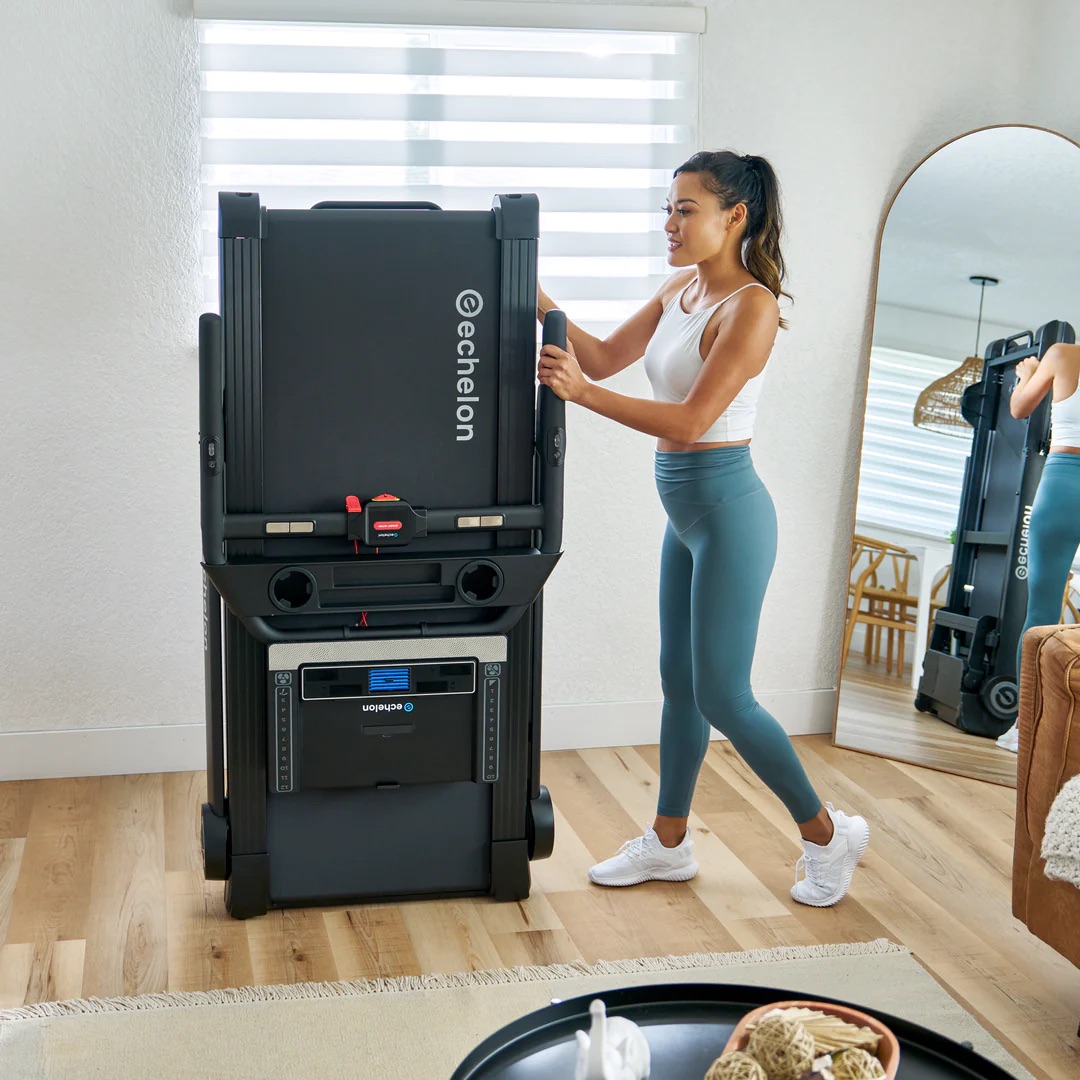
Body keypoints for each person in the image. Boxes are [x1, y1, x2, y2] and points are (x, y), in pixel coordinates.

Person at [536, 150, 869, 907]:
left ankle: (826, 836)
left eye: (686, 209)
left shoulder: (751, 308)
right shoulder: (680, 289)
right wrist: (534, 290)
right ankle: (669, 842)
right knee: (678, 684)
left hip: (728, 514)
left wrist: (582, 397)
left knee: (723, 693)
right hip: (684, 518)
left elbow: (690, 422)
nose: (670, 223)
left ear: (735, 217)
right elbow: (605, 356)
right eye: (669, 208)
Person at [997, 341, 1080, 752]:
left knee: (1042, 609)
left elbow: (1019, 408)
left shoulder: (1063, 354)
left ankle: (1023, 728)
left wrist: (1026, 375)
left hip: (1064, 482)